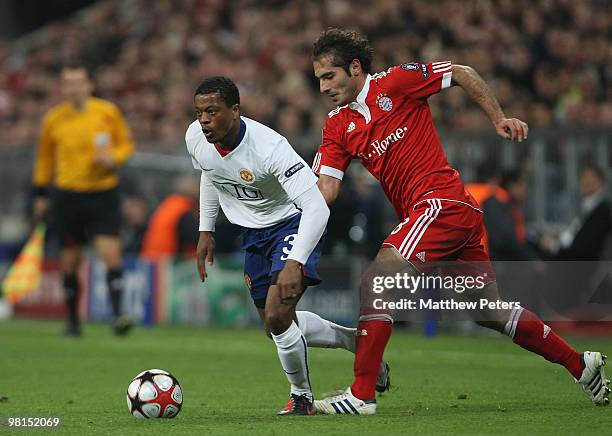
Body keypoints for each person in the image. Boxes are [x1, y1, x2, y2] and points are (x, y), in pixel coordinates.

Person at [310, 28, 609, 414]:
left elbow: (463, 72)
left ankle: (362, 394)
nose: (322, 87)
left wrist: (498, 118)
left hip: (441, 204)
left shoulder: (397, 82)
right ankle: (581, 365)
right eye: (318, 79)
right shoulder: (337, 126)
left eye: (328, 76)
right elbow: (326, 190)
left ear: (354, 67)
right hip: (451, 217)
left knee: (375, 282)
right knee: (487, 310)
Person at [185, 76, 389, 416]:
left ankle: (301, 398)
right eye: (199, 112)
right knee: (274, 326)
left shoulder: (269, 147)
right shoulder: (196, 137)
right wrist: (206, 229)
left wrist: (294, 261)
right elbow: (210, 171)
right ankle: (355, 342)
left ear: (235, 111)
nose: (204, 120)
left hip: (295, 221)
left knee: (279, 315)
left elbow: (316, 207)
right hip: (253, 233)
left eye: (212, 111)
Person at [32, 64, 135, 337]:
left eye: (79, 81)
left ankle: (118, 316)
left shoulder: (107, 112)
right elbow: (44, 160)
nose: (74, 87)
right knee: (69, 260)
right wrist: (41, 194)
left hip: (103, 192)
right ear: (63, 88)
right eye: (69, 82)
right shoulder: (53, 119)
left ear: (89, 85)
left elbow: (126, 144)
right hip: (67, 195)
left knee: (111, 255)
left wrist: (114, 157)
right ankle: (72, 321)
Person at [541, 165, 612, 261]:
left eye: (590, 177)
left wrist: (553, 247)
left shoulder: (602, 211)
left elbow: (583, 249)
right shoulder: (588, 207)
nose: (586, 181)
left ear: (601, 182)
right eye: (583, 177)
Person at [140, 175, 200, 261]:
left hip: (151, 260)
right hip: (166, 262)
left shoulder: (168, 205)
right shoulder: (183, 209)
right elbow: (195, 238)